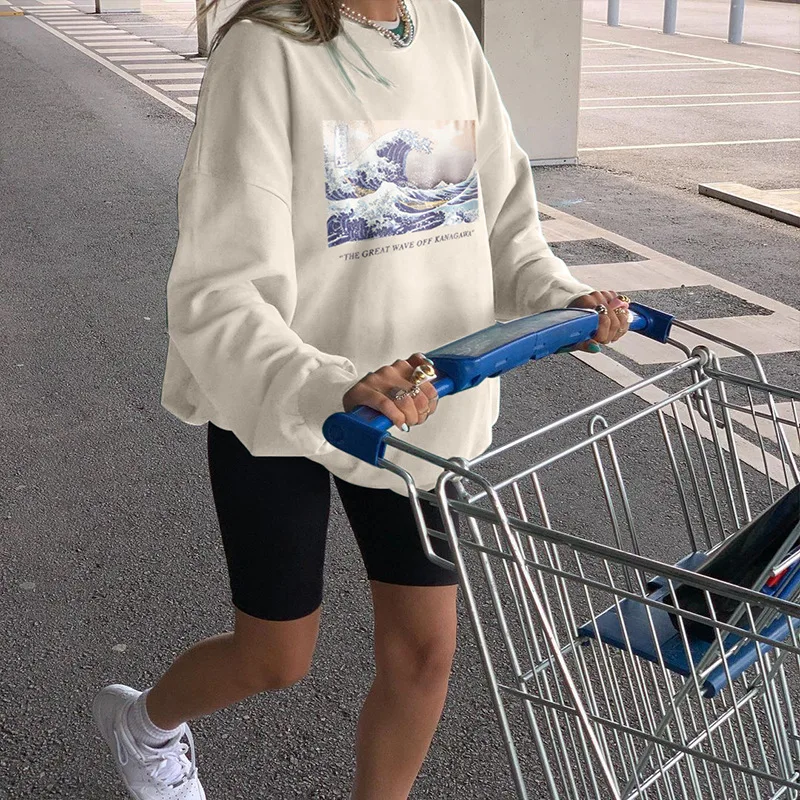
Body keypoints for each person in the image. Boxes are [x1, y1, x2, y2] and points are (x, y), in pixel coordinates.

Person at [92, 1, 631, 798]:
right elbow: (220, 288)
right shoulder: (266, 49)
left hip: (418, 406)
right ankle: (144, 725)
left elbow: (504, 221)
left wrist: (562, 296)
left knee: (424, 655)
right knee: (274, 658)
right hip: (285, 395)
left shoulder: (444, 26)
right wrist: (327, 383)